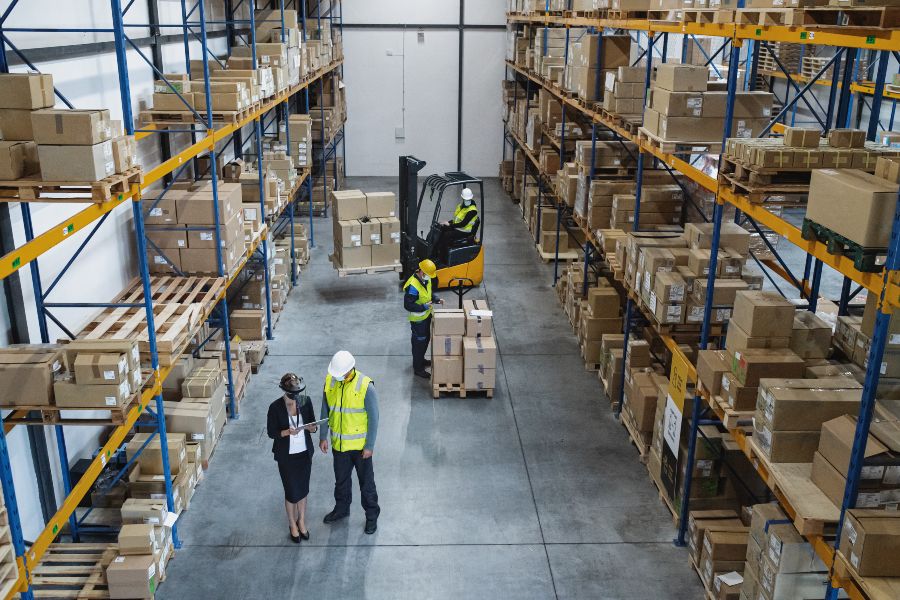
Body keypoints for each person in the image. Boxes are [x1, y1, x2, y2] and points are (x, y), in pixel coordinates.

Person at [319, 350, 381, 534]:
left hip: (360, 448)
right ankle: (341, 509)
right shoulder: (330, 381)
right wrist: (323, 435)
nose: (336, 377)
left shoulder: (365, 386)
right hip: (339, 445)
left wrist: (369, 446)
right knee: (341, 481)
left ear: (349, 370)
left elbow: (374, 418)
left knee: (367, 484)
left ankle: (371, 516)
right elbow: (325, 409)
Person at [266, 373, 317, 543]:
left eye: (297, 392)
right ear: (284, 390)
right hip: (286, 457)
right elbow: (271, 432)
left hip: (304, 454)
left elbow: (313, 424)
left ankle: (301, 521)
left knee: (303, 490)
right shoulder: (275, 407)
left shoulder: (305, 401)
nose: (296, 397)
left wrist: (311, 428)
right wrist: (288, 431)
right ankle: (292, 524)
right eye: (292, 393)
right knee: (291, 492)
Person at [403, 259, 443, 379]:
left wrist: (435, 299)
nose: (428, 277)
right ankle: (418, 368)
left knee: (425, 340)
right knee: (419, 343)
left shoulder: (427, 278)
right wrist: (423, 306)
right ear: (421, 271)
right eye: (427, 274)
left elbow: (428, 293)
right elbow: (408, 305)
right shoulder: (413, 286)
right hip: (418, 320)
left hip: (426, 316)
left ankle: (421, 360)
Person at [436, 187, 480, 262]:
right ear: (462, 198)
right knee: (442, 228)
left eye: (468, 199)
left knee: (447, 235)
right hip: (459, 228)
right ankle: (437, 250)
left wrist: (450, 225)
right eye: (465, 199)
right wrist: (448, 223)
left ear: (471, 199)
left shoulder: (472, 210)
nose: (466, 201)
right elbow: (457, 220)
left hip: (465, 232)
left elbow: (463, 223)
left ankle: (442, 258)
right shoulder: (461, 206)